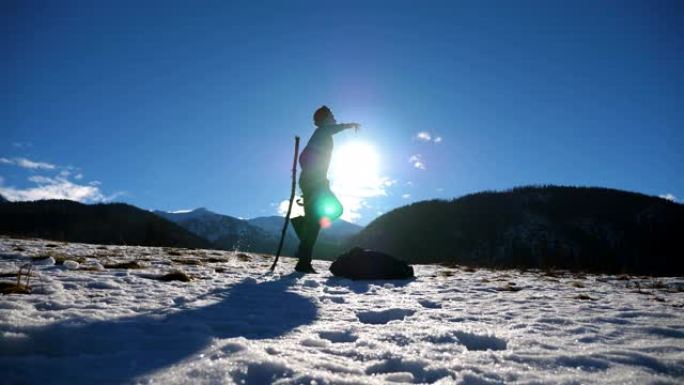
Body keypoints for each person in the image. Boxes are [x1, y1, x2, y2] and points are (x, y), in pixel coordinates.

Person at [291, 106, 360, 273]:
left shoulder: (321, 135)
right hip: (315, 183)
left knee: (317, 220)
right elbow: (303, 158)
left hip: (316, 182)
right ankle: (303, 261)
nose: (334, 118)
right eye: (331, 116)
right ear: (324, 120)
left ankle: (302, 234)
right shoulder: (323, 131)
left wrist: (308, 174)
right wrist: (349, 125)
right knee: (334, 210)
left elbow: (302, 158)